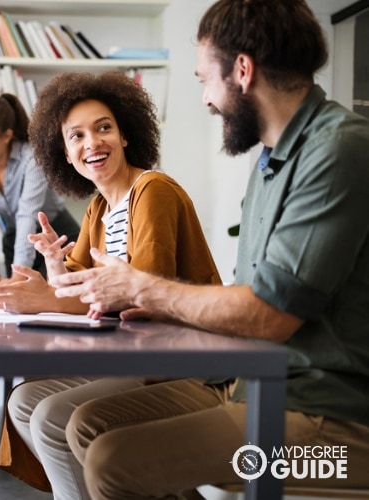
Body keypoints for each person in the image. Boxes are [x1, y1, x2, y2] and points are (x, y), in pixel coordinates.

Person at [48, 1, 369, 498]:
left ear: (242, 70)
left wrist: (142, 288)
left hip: (333, 425)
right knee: (87, 426)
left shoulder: (337, 150)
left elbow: (270, 316)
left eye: (205, 80)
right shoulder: (272, 163)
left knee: (116, 463)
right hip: (255, 387)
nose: (205, 100)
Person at [0, 71, 221, 499]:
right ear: (66, 155)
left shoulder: (152, 190)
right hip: (128, 357)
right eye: (76, 136)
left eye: (104, 127)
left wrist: (46, 297)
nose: (91, 142)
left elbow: (144, 293)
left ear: (126, 135)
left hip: (177, 362)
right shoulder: (98, 208)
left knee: (53, 415)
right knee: (22, 402)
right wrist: (55, 266)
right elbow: (74, 288)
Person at [0, 93, 80, 289]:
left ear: (7, 136)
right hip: (17, 238)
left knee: (55, 300)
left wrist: (18, 273)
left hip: (57, 237)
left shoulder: (33, 158)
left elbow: (27, 214)